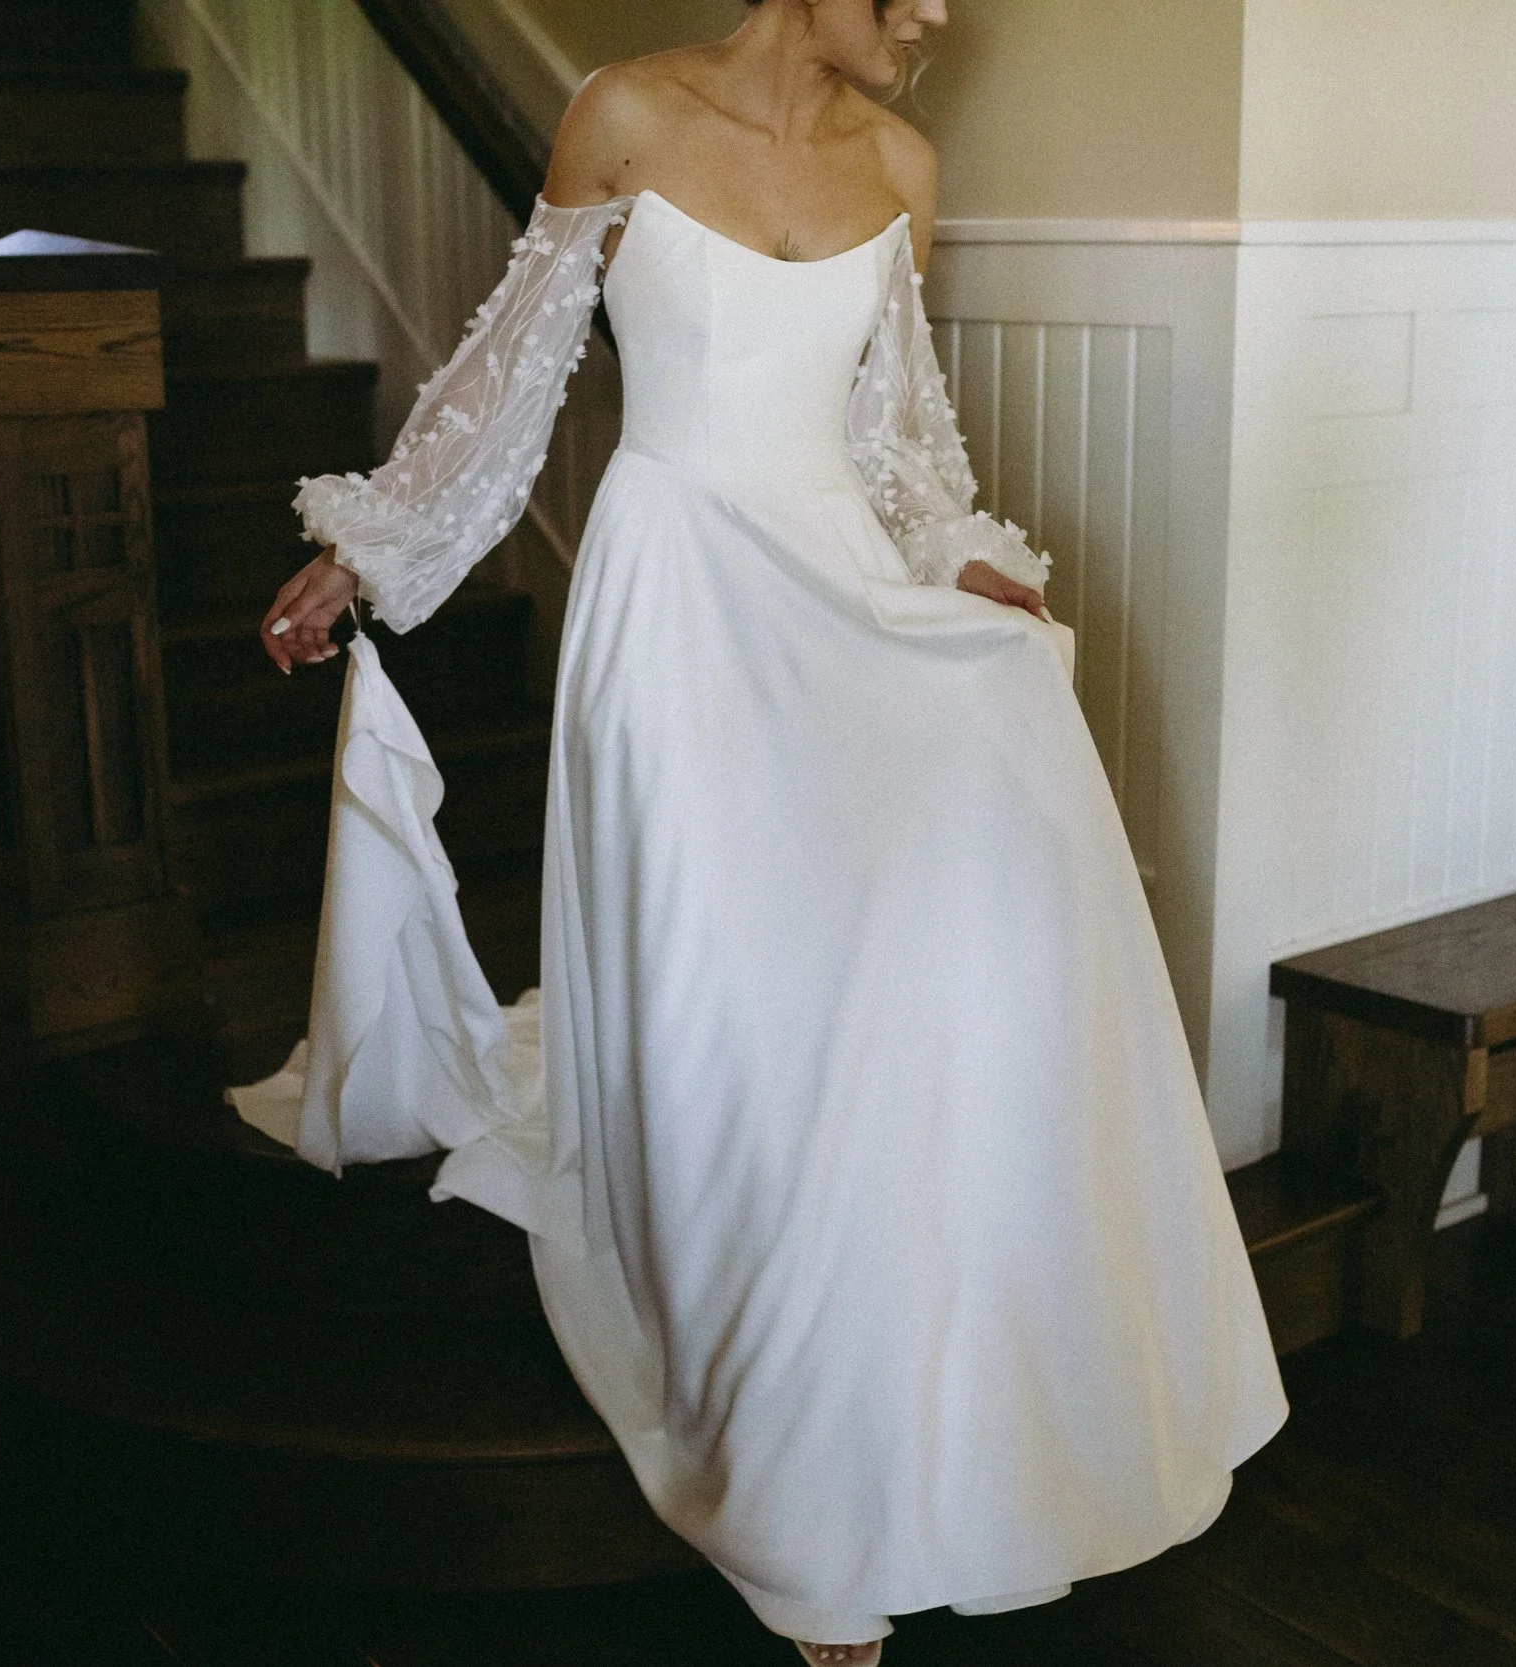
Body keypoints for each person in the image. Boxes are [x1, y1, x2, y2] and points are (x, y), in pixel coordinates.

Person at [244, 2, 1288, 1660]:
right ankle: (782, 1474)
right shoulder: (624, 117)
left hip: (840, 595)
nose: (936, 21)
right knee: (726, 996)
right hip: (674, 601)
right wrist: (372, 551)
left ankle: (972, 1354)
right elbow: (515, 376)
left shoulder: (902, 164)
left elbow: (895, 441)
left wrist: (963, 555)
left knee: (993, 827)